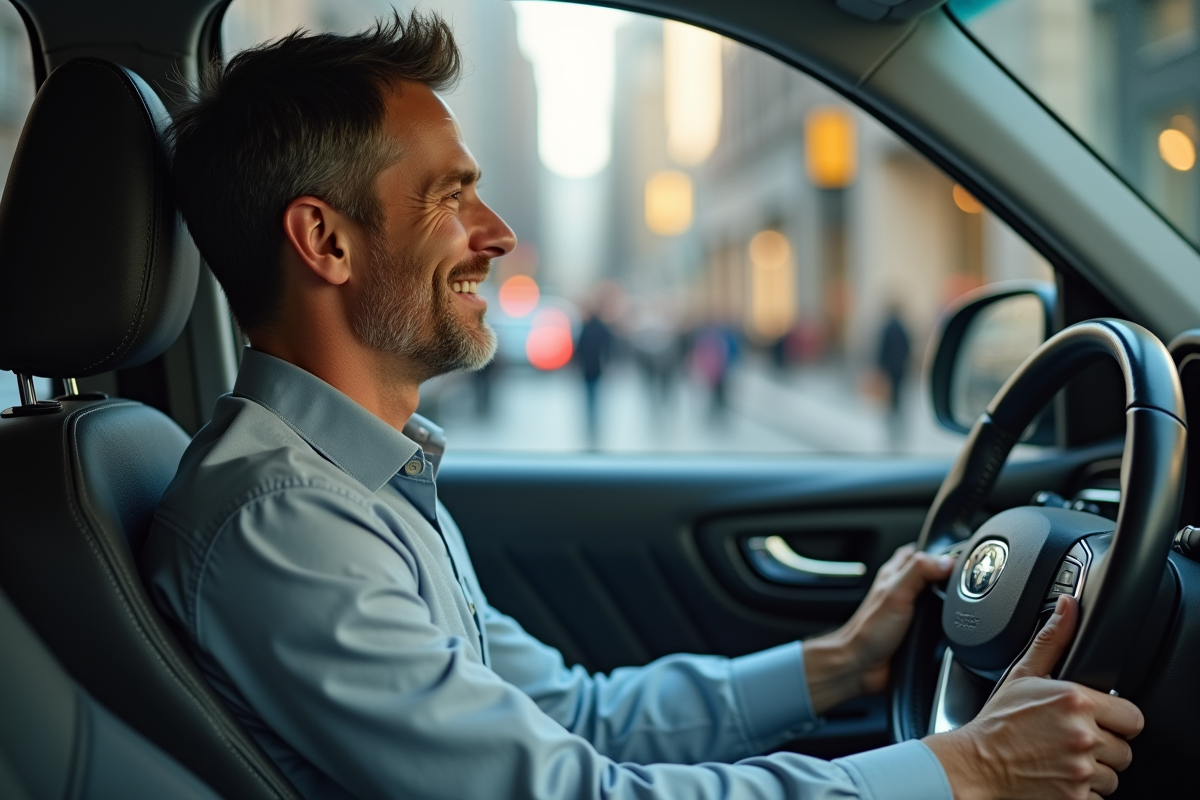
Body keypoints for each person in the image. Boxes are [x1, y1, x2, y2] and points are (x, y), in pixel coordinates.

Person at [142, 13, 1143, 800]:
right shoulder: (281, 520)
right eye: (450, 196)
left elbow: (573, 713)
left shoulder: (366, 479)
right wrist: (972, 770)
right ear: (326, 240)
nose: (498, 233)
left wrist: (838, 663)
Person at [876, 306, 911, 450]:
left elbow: (881, 350)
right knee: (898, 397)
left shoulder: (887, 328)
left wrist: (880, 368)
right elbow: (908, 347)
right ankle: (898, 424)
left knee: (890, 399)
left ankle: (892, 424)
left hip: (889, 370)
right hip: (900, 370)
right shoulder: (902, 328)